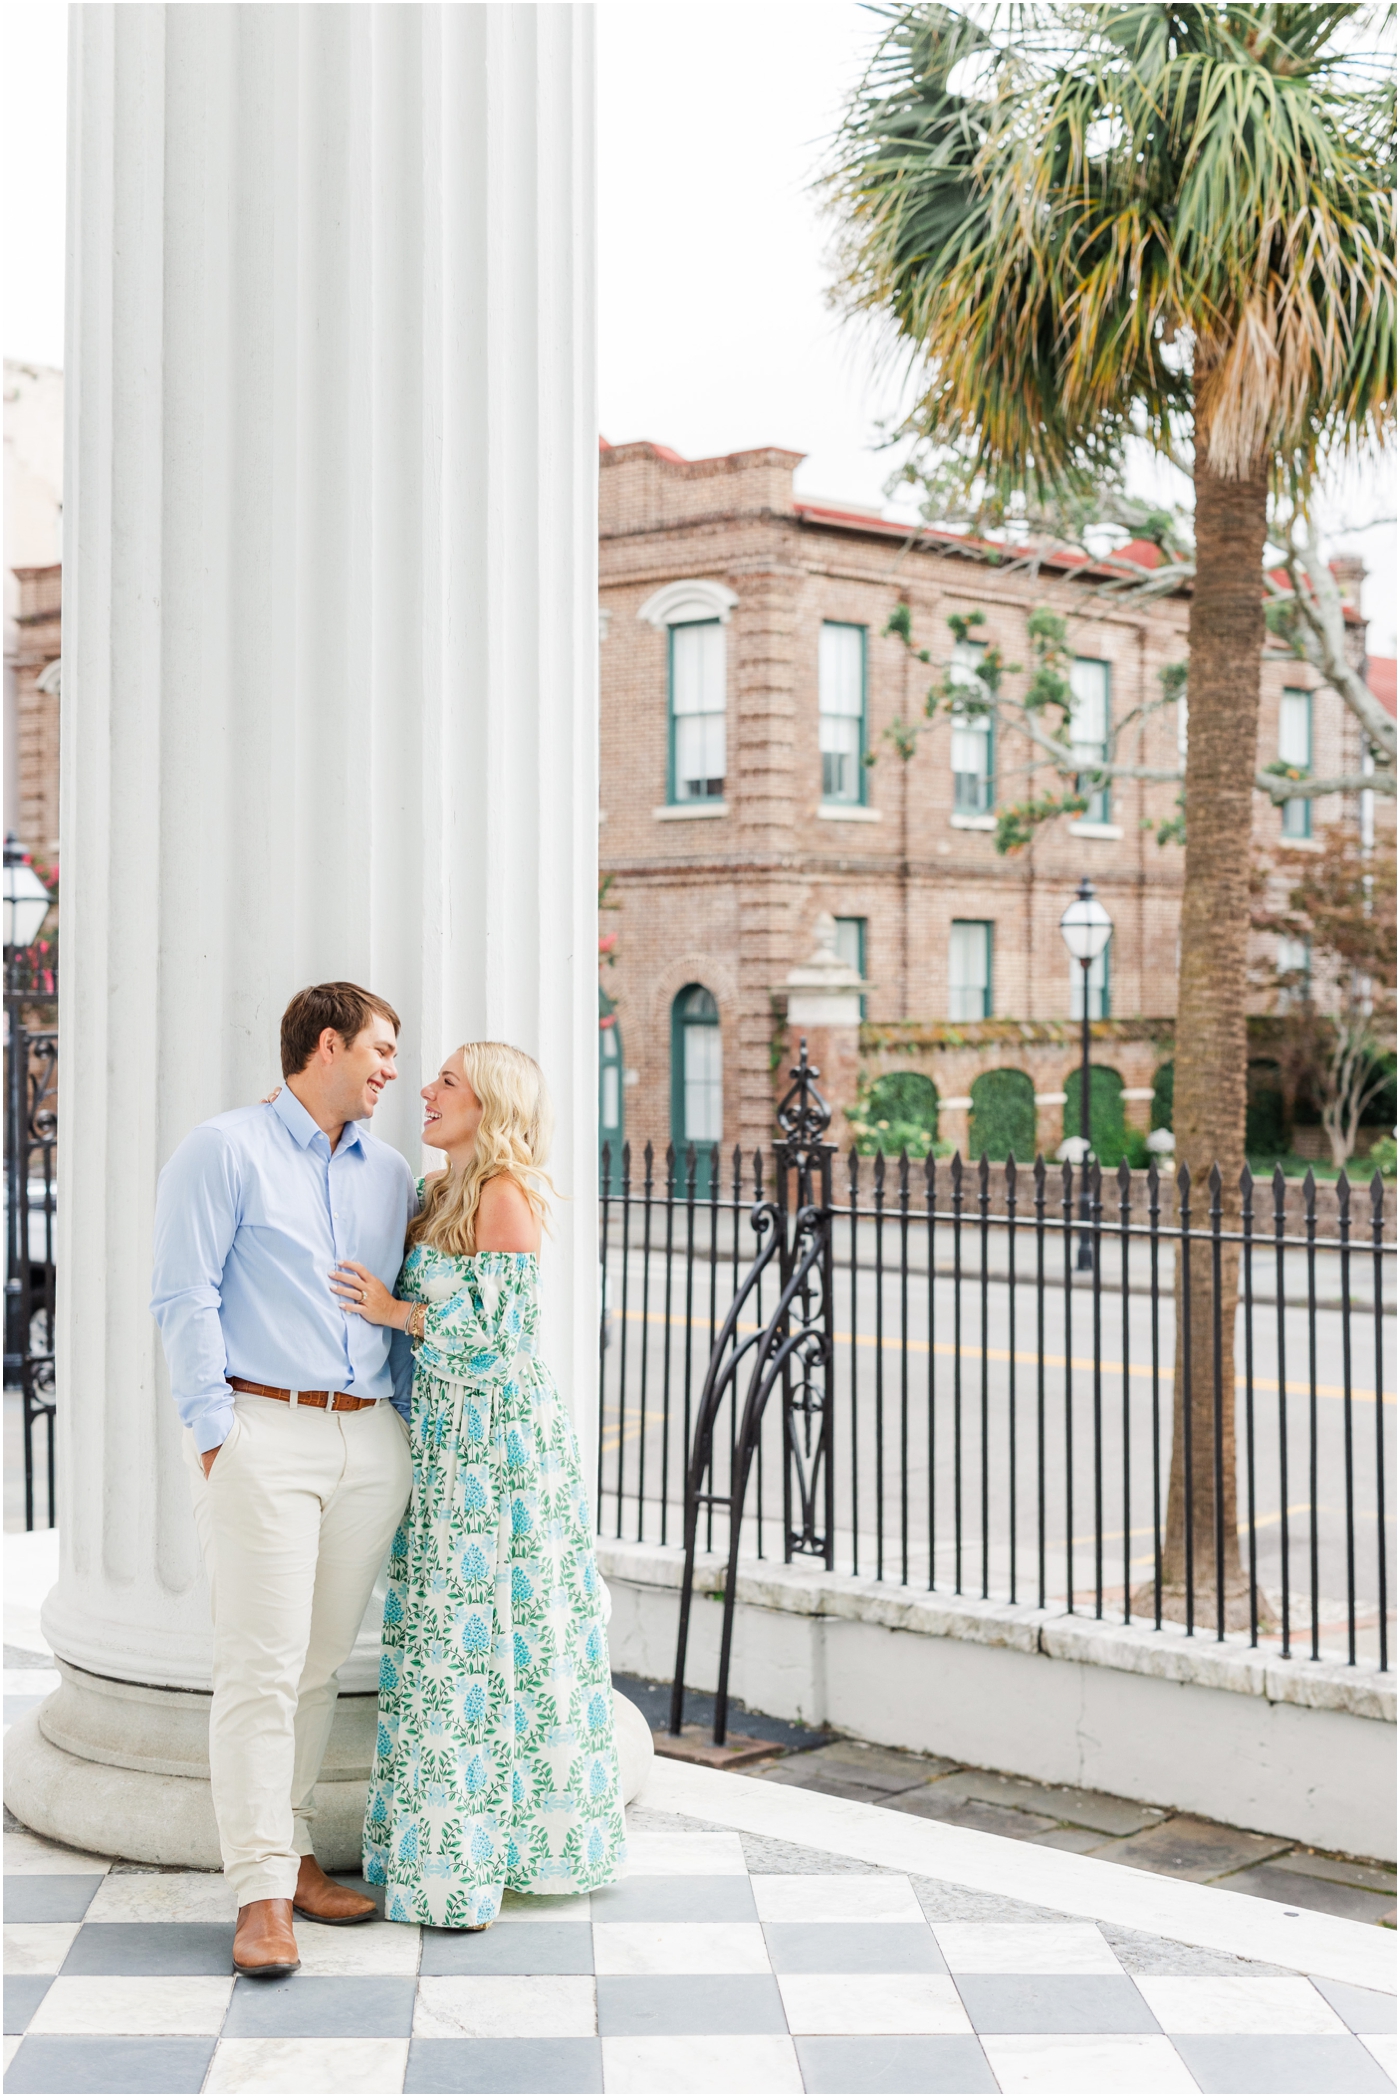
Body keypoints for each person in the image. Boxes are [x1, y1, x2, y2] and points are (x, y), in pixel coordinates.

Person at [151, 982, 418, 1979]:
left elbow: (414, 1299)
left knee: (313, 1669)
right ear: (326, 1042)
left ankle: (297, 1856)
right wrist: (218, 1434)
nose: (391, 1068)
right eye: (381, 1049)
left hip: (366, 1441)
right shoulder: (223, 1149)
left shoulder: (389, 1172)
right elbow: (183, 1294)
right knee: (258, 1669)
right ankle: (260, 1895)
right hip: (262, 1431)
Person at [331, 1041, 626, 1928]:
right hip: (444, 1439)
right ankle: (443, 1845)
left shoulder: (505, 1193)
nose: (426, 1088)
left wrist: (396, 1311)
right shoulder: (434, 1195)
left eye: (447, 1080)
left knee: (503, 1636)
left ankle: (508, 1849)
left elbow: (501, 1342)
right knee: (445, 1643)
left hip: (499, 1447)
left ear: (488, 1102)